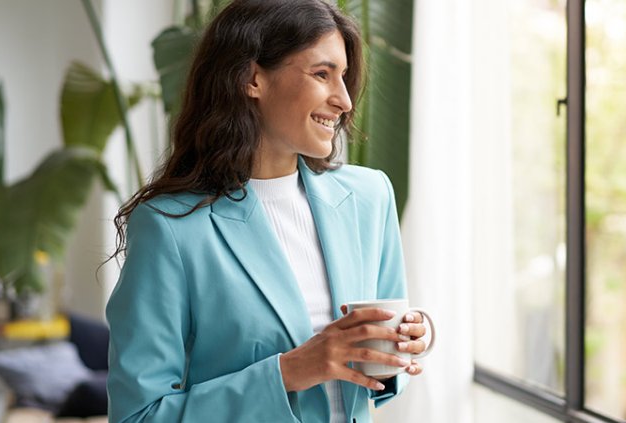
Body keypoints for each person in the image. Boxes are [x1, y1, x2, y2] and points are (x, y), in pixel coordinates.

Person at [105, 0, 430, 422]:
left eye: (344, 77)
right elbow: (139, 415)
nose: (345, 101)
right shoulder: (171, 228)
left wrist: (406, 340)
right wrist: (289, 372)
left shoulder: (369, 198)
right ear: (252, 78)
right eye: (322, 74)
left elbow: (377, 368)